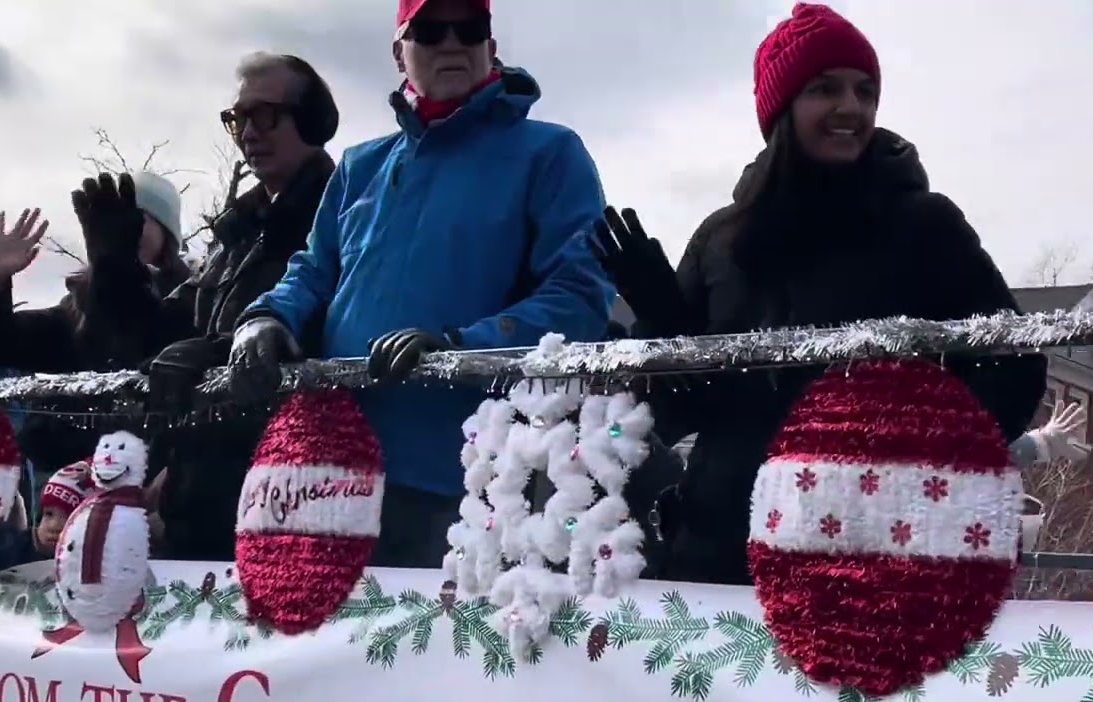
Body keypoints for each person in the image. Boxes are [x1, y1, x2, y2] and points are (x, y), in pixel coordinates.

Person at [592, 2, 1047, 585]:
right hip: (721, 547)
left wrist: (914, 446)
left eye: (864, 91)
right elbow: (683, 410)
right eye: (825, 89)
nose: (849, 108)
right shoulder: (722, 239)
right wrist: (661, 324)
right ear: (782, 108)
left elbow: (1016, 364)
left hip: (865, 557)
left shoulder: (924, 227)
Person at [227, 0, 614, 567]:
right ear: (399, 53)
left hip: (467, 486)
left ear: (492, 46)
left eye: (470, 27)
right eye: (430, 30)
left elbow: (580, 296)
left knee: (450, 652)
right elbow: (312, 271)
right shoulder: (360, 167)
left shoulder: (551, 153)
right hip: (331, 478)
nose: (452, 42)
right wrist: (266, 319)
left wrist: (461, 347)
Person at [77, 51, 341, 560]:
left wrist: (214, 352)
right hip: (202, 481)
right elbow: (155, 336)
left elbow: (326, 334)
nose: (247, 133)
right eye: (237, 119)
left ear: (314, 121)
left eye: (264, 115)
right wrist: (115, 267)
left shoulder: (339, 217)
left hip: (286, 489)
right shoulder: (235, 235)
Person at [0, 171, 190, 374]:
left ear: (166, 234)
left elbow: (134, 339)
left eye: (141, 217)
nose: (125, 225)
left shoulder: (192, 299)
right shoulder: (75, 308)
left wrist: (116, 268)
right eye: (117, 214)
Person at [0, 460, 93, 573]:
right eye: (49, 514)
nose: (54, 526)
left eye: (69, 519)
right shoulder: (11, 543)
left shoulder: (87, 567)